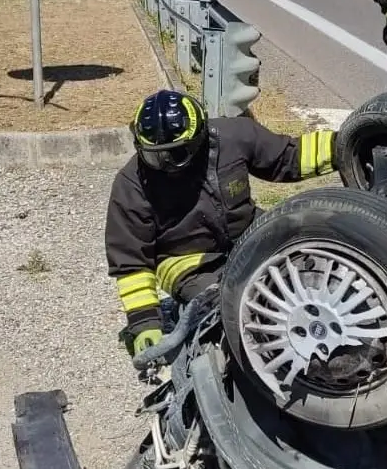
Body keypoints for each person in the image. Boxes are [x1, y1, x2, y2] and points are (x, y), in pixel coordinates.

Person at [106, 89, 341, 359]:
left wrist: (345, 144)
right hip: (187, 262)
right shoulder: (131, 185)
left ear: (199, 139)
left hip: (248, 234)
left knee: (307, 265)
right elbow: (131, 262)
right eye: (154, 156)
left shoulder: (233, 137)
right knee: (232, 311)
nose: (165, 165)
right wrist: (145, 323)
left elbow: (289, 158)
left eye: (176, 154)